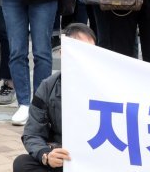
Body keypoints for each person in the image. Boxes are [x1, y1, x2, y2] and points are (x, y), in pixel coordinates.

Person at [12, 23, 96, 172]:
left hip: (97, 159)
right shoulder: (48, 86)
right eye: (81, 50)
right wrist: (46, 155)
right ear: (64, 52)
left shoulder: (105, 85)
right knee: (22, 164)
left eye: (91, 51)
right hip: (65, 158)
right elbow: (32, 133)